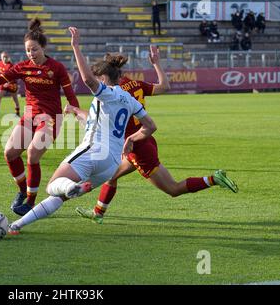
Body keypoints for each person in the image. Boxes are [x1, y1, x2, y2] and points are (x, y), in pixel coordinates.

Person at [7, 27, 157, 235]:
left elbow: (87, 79)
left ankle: (71, 187)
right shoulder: (129, 99)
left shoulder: (108, 93)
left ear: (104, 79)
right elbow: (151, 126)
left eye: (99, 78)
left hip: (94, 151)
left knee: (53, 187)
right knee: (58, 198)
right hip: (111, 164)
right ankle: (17, 225)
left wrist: (75, 46)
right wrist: (131, 138)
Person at [75, 46, 239, 224]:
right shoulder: (134, 83)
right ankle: (98, 214)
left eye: (98, 78)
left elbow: (97, 118)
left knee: (173, 189)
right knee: (111, 175)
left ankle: (214, 178)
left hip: (136, 146)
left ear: (104, 77)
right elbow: (165, 87)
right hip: (145, 138)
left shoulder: (113, 94)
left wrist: (76, 111)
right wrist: (157, 64)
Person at [0, 18, 79, 216]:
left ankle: (31, 201)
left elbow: (70, 95)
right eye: (27, 50)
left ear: (43, 47)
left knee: (33, 153)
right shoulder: (22, 67)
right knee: (9, 153)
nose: (31, 54)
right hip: (29, 117)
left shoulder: (57, 68)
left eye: (34, 49)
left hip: (50, 118)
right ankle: (22, 191)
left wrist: (77, 112)